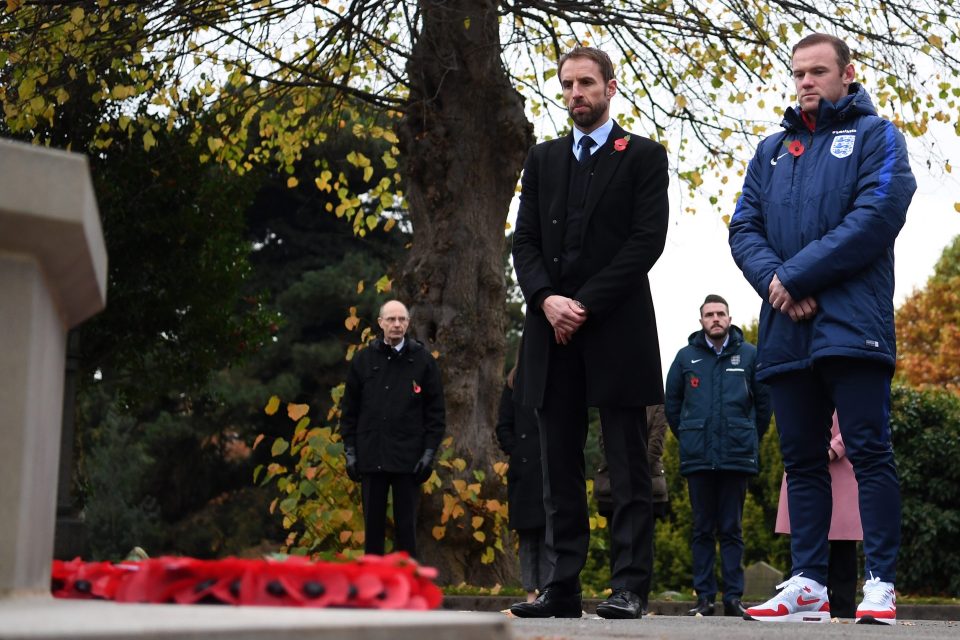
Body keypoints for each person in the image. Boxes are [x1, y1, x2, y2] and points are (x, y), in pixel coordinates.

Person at [729, 33, 916, 624]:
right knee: (801, 459)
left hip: (853, 325)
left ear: (847, 73)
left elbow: (878, 213)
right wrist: (776, 282)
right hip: (787, 328)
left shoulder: (878, 136)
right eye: (798, 73)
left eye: (817, 71)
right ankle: (808, 583)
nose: (806, 82)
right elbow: (743, 228)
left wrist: (799, 276)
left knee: (868, 451)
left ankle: (880, 582)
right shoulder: (771, 151)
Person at [509, 45, 669, 620]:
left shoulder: (645, 157)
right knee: (558, 467)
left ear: (610, 87)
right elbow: (522, 242)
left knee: (627, 467)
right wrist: (546, 299)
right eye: (568, 84)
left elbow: (646, 242)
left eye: (586, 83)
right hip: (551, 333)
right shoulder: (543, 159)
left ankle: (628, 586)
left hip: (616, 330)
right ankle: (562, 587)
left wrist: (583, 303)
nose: (576, 93)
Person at [664, 294, 771, 618]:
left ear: (729, 317)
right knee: (701, 529)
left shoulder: (750, 354)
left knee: (731, 528)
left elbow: (764, 404)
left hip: (736, 456)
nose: (715, 319)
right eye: (709, 314)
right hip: (698, 458)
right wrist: (690, 436)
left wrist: (748, 435)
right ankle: (704, 598)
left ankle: (733, 598)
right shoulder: (685, 357)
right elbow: (672, 404)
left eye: (720, 313)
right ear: (701, 321)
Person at [339, 299, 445, 558]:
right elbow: (349, 412)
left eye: (401, 319)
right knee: (372, 527)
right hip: (371, 454)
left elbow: (436, 413)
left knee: (406, 528)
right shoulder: (363, 360)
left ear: (408, 323)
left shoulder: (423, 361)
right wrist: (350, 451)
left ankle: (407, 586)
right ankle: (372, 587)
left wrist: (429, 453)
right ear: (381, 323)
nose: (396, 324)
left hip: (409, 458)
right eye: (391, 319)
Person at [776, 413, 863, 619]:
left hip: (842, 468)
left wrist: (834, 448)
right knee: (806, 538)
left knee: (843, 547)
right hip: (806, 462)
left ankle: (843, 608)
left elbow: (858, 422)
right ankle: (803, 600)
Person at [594, 404, 671, 615]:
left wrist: (632, 465)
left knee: (641, 535)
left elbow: (656, 442)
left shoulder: (657, 406)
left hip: (647, 479)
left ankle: (636, 593)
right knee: (617, 538)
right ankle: (619, 589)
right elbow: (605, 438)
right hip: (614, 479)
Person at [495, 361, 549, 603]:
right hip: (524, 469)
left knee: (550, 533)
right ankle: (530, 592)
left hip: (549, 467)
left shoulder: (552, 377)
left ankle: (549, 589)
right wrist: (516, 451)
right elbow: (503, 425)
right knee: (527, 535)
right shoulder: (513, 384)